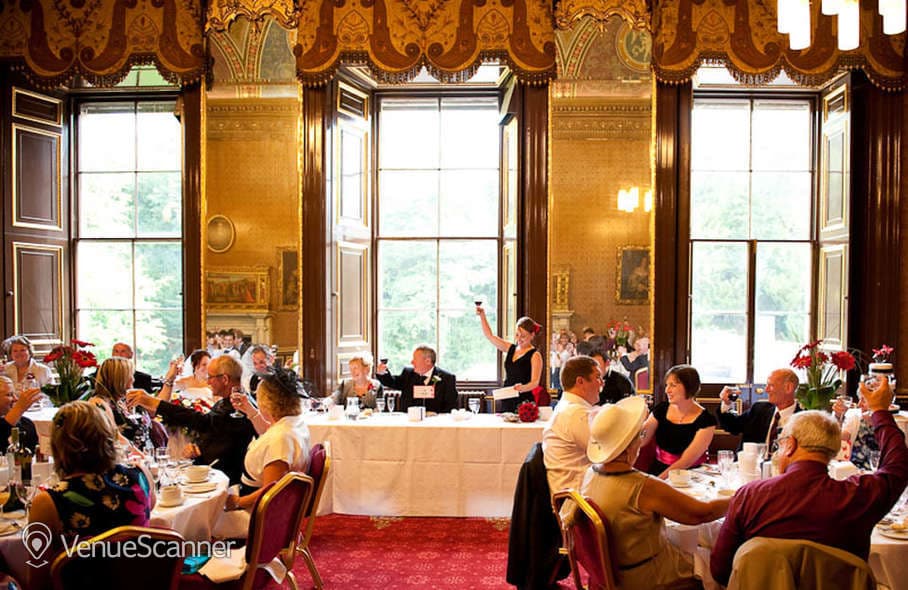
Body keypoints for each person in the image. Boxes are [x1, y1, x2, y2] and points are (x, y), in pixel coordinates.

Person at [710, 376, 908, 586]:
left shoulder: (750, 495)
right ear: (832, 451)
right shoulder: (859, 496)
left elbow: (721, 570)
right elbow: (898, 466)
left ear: (789, 445)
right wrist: (880, 411)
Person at [580, 396, 730, 589]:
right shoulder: (643, 486)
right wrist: (740, 498)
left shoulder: (589, 474)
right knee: (717, 561)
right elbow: (702, 513)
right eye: (639, 437)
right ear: (629, 447)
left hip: (608, 570)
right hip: (645, 575)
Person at [30, 401, 155, 539]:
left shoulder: (47, 502)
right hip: (138, 557)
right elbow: (150, 507)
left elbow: (38, 559)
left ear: (58, 445)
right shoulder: (141, 475)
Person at [127, 355, 259, 485]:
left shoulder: (239, 406)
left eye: (211, 377)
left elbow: (205, 422)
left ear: (224, 379)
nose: (208, 382)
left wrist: (155, 403)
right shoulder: (230, 400)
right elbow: (219, 431)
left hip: (229, 479)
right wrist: (199, 446)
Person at [225, 368, 311, 510]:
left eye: (257, 396)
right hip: (263, 503)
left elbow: (272, 490)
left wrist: (237, 502)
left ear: (267, 402)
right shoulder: (293, 423)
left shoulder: (281, 438)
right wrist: (250, 410)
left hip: (259, 514)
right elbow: (268, 432)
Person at [641, 364, 716, 479]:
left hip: (690, 476)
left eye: (673, 385)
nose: (667, 390)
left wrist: (657, 481)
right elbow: (642, 440)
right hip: (658, 469)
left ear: (689, 386)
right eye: (667, 385)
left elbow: (685, 461)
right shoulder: (661, 410)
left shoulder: (706, 421)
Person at [542, 355, 601, 496]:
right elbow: (605, 453)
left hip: (579, 491)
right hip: (578, 502)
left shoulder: (570, 408)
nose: (601, 383)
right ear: (580, 381)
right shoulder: (574, 413)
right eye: (597, 377)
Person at [476, 307, 544, 412]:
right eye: (517, 335)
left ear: (532, 335)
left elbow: (535, 382)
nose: (519, 339)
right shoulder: (511, 348)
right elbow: (490, 336)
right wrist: (482, 316)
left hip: (524, 401)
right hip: (507, 397)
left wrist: (522, 388)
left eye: (523, 336)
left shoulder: (535, 355)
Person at [716, 368, 800, 449]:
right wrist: (726, 403)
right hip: (751, 462)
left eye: (771, 385)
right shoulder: (759, 410)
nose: (766, 390)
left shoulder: (804, 418)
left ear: (788, 388)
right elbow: (732, 426)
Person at [89, 356, 154, 452]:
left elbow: (154, 410)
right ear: (119, 378)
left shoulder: (124, 400)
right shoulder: (99, 404)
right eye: (130, 375)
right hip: (127, 460)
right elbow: (116, 438)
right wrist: (143, 459)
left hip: (145, 457)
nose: (133, 379)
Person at [376, 346, 457, 413]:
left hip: (435, 424)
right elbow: (392, 382)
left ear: (428, 361)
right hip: (410, 422)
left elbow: (451, 406)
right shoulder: (408, 374)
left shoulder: (447, 378)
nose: (412, 362)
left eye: (415, 359)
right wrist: (382, 373)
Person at [833, 394, 878, 471]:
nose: (859, 404)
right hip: (855, 471)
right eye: (860, 399)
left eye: (864, 400)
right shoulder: (855, 416)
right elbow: (841, 436)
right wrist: (838, 417)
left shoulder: (892, 423)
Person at [0, 375, 40, 450]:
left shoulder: (26, 424)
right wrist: (19, 408)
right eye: (9, 395)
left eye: (14, 394)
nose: (16, 399)